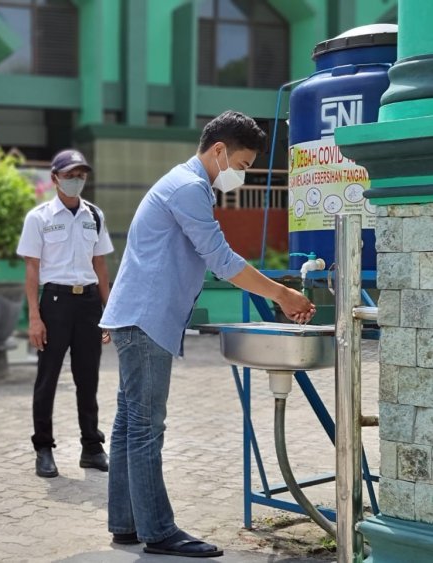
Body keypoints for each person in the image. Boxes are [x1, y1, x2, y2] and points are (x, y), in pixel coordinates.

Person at [100, 111, 316, 558]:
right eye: (242, 164)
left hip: (137, 316)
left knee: (129, 423)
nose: (243, 173)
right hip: (145, 319)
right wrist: (282, 295)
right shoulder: (189, 187)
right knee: (145, 427)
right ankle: (158, 532)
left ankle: (126, 524)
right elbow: (221, 259)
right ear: (218, 150)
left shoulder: (181, 183)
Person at [17, 149, 114, 478]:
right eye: (70, 175)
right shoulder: (40, 218)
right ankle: (43, 448)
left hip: (88, 304)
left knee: (88, 380)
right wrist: (34, 317)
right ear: (55, 178)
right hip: (55, 304)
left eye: (81, 175)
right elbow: (32, 270)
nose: (76, 181)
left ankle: (91, 447)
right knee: (48, 380)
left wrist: (109, 311)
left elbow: (100, 265)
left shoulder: (94, 216)